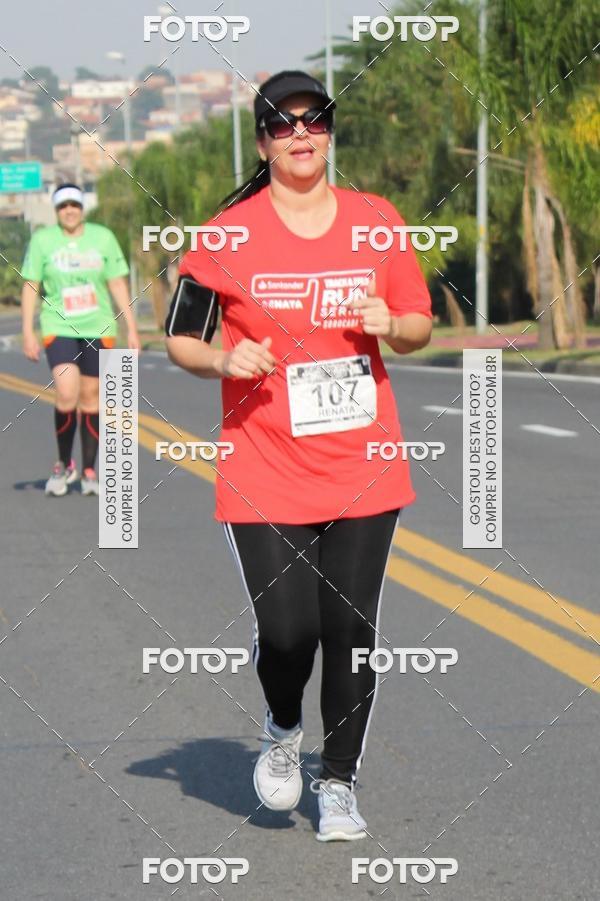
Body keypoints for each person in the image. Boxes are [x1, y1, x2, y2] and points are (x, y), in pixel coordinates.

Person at [166, 71, 433, 841]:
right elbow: (183, 334)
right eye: (283, 124)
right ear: (262, 140)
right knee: (289, 634)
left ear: (330, 131)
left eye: (314, 120)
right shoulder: (226, 235)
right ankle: (283, 724)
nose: (301, 134)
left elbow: (418, 324)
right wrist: (221, 362)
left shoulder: (376, 221)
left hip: (363, 463)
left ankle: (339, 785)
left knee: (351, 628)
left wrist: (392, 320)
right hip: (263, 467)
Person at [21, 183, 140, 496]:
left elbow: (116, 283)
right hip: (57, 326)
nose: (69, 211)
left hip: (99, 327)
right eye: (63, 206)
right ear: (56, 211)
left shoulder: (102, 238)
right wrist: (27, 331)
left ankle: (89, 470)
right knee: (66, 393)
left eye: (74, 204)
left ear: (82, 207)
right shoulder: (43, 240)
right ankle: (63, 464)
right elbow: (31, 285)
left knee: (91, 398)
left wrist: (132, 327)